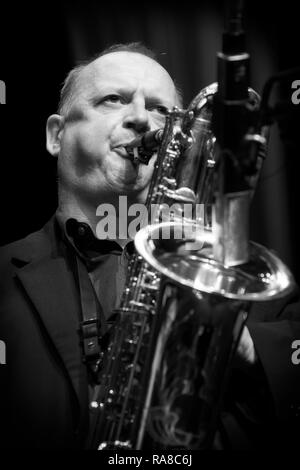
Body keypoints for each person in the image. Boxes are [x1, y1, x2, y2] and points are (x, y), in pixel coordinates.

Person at [0, 42, 299, 449]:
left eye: (160, 109)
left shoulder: (242, 276)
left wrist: (239, 343)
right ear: (56, 134)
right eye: (113, 100)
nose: (142, 120)